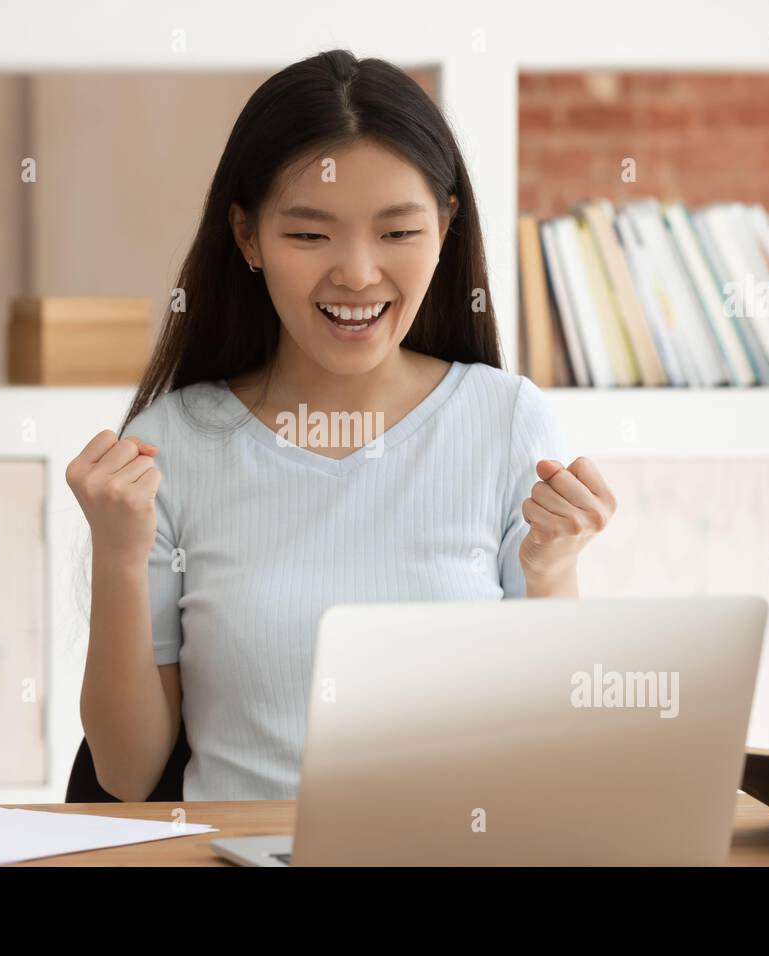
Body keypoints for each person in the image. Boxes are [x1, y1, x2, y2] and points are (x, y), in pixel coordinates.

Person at [66, 49, 615, 802]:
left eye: (396, 233)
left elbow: (565, 756)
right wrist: (120, 557)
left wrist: (552, 575)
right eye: (308, 235)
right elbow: (127, 777)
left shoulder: (506, 421)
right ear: (248, 238)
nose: (357, 274)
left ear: (447, 227)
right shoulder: (175, 446)